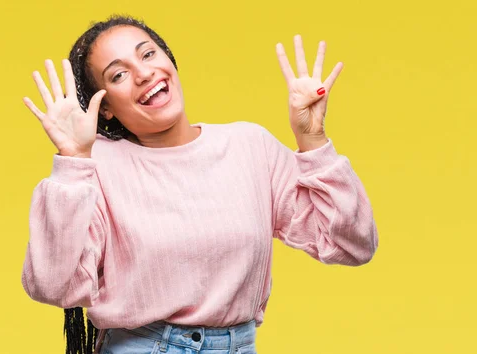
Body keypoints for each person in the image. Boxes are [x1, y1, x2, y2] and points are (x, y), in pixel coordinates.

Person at [20, 15, 378, 354]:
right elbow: (54, 285)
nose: (144, 73)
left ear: (170, 61)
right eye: (118, 75)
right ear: (106, 107)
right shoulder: (96, 166)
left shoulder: (250, 147)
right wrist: (71, 162)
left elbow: (354, 244)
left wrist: (313, 141)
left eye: (148, 53)